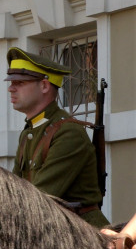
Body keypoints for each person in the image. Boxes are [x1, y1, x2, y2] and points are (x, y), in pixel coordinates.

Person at [6, 47, 108, 226]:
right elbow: (15, 191)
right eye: (11, 82)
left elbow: (39, 198)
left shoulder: (68, 133)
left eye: (20, 83)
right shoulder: (29, 132)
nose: (10, 88)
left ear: (44, 86)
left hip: (82, 233)